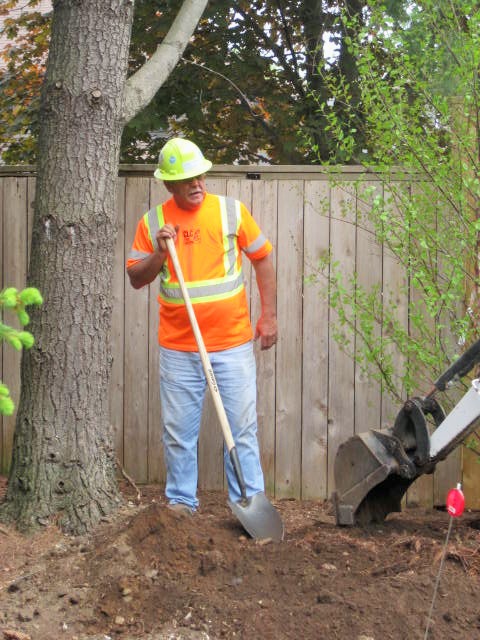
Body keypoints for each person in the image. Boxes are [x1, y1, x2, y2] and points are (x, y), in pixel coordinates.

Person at [126, 137, 277, 515]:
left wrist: (269, 315)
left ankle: (249, 500)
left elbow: (262, 259)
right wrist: (160, 252)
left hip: (231, 344)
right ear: (169, 184)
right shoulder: (153, 223)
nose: (197, 184)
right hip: (179, 348)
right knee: (179, 434)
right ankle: (180, 505)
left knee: (241, 430)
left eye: (200, 176)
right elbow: (136, 278)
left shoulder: (231, 212)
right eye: (187, 179)